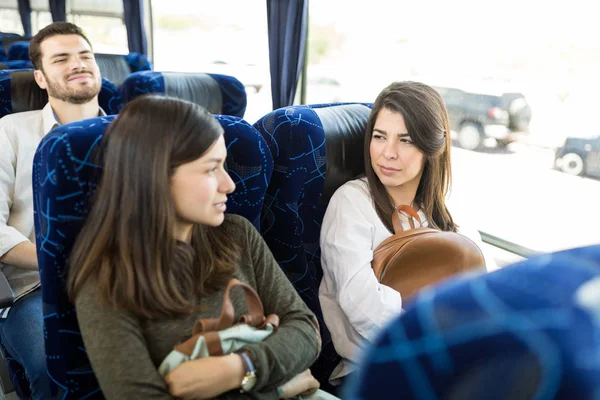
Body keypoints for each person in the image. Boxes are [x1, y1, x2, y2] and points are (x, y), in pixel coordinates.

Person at [67, 95, 321, 399]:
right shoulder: (106, 278)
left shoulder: (237, 234)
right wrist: (279, 387)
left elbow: (305, 330)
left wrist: (237, 369)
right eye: (211, 169)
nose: (230, 185)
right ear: (155, 176)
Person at [318, 81, 495, 384]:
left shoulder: (447, 206)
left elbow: (480, 280)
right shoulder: (352, 202)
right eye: (379, 137)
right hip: (372, 368)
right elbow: (363, 305)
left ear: (431, 148)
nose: (388, 153)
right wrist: (441, 345)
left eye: (406, 141)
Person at [0, 21, 103, 398]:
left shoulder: (132, 132)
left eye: (85, 55)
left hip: (125, 281)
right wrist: (67, 261)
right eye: (61, 58)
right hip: (36, 289)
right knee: (55, 368)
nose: (78, 64)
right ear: (41, 78)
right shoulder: (10, 132)